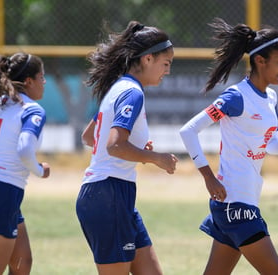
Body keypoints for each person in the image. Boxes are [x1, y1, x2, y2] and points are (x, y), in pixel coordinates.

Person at [180, 18, 278, 275]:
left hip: (241, 202)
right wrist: (208, 177)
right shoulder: (236, 97)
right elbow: (188, 131)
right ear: (260, 61)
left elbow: (270, 142)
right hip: (236, 204)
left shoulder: (271, 97)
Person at [76, 21, 178, 275]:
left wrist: (137, 149)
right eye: (165, 64)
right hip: (107, 194)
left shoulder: (118, 87)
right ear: (148, 59)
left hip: (116, 196)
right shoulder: (132, 92)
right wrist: (156, 158)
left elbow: (90, 137)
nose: (167, 71)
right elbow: (114, 145)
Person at [0, 53, 50, 275]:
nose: (44, 82)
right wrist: (40, 171)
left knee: (22, 261)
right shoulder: (32, 110)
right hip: (2, 190)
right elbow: (24, 149)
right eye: (41, 76)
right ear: (28, 81)